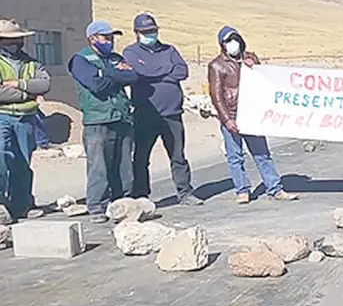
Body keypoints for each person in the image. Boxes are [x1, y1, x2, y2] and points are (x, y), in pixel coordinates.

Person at [208, 26, 299, 204]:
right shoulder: (217, 65)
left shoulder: (249, 58)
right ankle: (242, 190)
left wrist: (253, 65)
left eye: (235, 39)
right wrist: (227, 119)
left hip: (251, 114)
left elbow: (262, 79)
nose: (233, 44)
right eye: (228, 41)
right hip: (232, 115)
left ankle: (275, 188)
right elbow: (216, 95)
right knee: (235, 156)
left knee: (262, 154)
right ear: (222, 44)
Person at [122, 13, 201, 206]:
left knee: (178, 156)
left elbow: (182, 71)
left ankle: (184, 192)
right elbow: (139, 73)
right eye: (146, 32)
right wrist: (166, 70)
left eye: (153, 31)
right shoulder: (130, 52)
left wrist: (154, 73)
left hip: (172, 113)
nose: (151, 34)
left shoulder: (169, 50)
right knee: (141, 157)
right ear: (137, 33)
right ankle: (141, 194)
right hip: (145, 113)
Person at [68, 21, 139, 222]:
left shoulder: (115, 57)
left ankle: (122, 202)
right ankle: (97, 206)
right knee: (99, 165)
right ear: (92, 39)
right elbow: (95, 85)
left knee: (124, 164)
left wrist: (106, 73)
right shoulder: (81, 60)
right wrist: (115, 74)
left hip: (122, 117)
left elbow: (132, 76)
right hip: (97, 119)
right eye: (105, 37)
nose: (110, 41)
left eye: (111, 37)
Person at [0, 19, 51, 223]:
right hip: (2, 116)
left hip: (26, 118)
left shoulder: (32, 62)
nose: (16, 43)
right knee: (2, 160)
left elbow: (44, 84)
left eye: (18, 39)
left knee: (22, 161)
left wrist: (18, 84)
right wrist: (28, 94)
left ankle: (22, 205)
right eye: (11, 40)